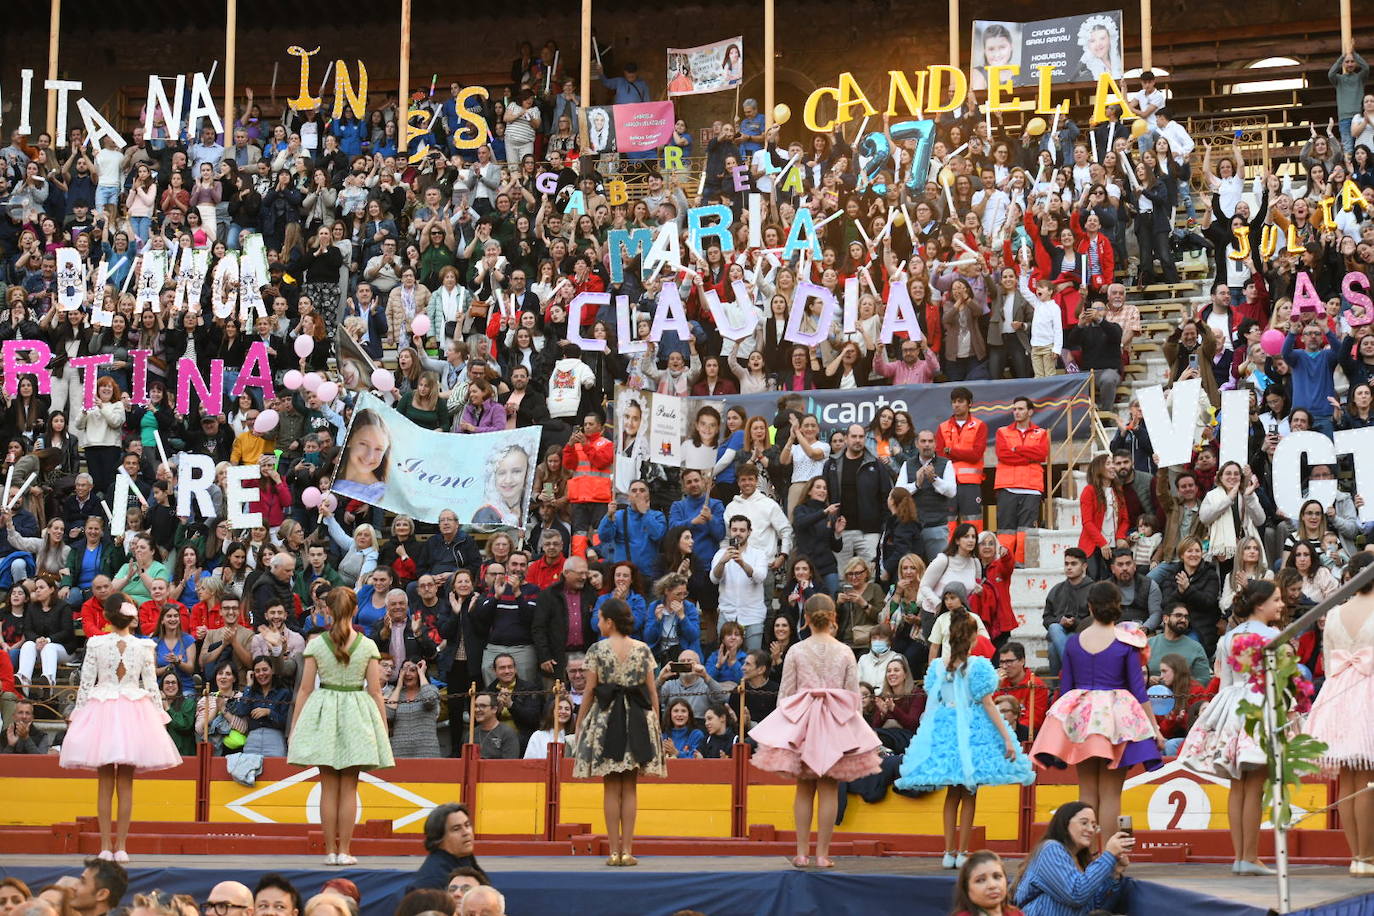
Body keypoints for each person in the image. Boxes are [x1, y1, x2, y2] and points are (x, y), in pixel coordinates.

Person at [895, 606, 1033, 868]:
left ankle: (948, 852)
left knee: (952, 793)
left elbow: (934, 699)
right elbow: (988, 704)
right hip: (972, 729)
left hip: (946, 729)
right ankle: (962, 851)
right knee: (969, 792)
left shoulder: (938, 667)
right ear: (971, 638)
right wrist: (1007, 737)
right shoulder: (978, 666)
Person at [750, 594, 882, 868]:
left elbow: (785, 695)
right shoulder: (845, 651)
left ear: (806, 618)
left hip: (804, 725)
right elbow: (853, 696)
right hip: (835, 723)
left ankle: (801, 853)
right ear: (833, 617)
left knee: (804, 788)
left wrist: (786, 727)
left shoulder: (796, 651)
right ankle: (822, 854)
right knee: (829, 789)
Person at [1031, 582, 1164, 844]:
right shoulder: (1126, 642)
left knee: (1087, 792)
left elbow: (1066, 689)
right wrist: (1154, 728)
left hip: (1082, 718)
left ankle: (1087, 852)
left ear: (1090, 607)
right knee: (1112, 793)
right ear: (1117, 606)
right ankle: (1109, 855)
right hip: (1116, 719)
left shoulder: (1073, 643)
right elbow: (1138, 690)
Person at [59, 592, 181, 861]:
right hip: (133, 711)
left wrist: (78, 714)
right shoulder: (144, 646)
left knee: (105, 783)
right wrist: (159, 716)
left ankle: (105, 846)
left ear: (107, 616)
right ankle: (121, 847)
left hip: (102, 710)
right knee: (126, 783)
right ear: (132, 617)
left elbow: (86, 684)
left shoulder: (96, 644)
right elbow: (151, 685)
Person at [1177, 580, 1285, 875]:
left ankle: (1240, 856)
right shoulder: (1274, 636)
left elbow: (1225, 683)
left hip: (1232, 706)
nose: (1281, 605)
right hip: (1261, 705)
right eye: (1276, 600)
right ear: (1260, 604)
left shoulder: (1228, 638)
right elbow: (1278, 682)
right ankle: (1250, 856)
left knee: (1238, 785)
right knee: (1255, 785)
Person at [287, 587, 394, 865]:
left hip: (324, 712)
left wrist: (295, 726)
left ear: (327, 610)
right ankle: (345, 850)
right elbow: (375, 692)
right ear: (355, 609)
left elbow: (305, 690)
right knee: (349, 787)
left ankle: (330, 852)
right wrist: (383, 727)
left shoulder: (316, 645)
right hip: (356, 713)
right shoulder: (368, 646)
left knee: (327, 786)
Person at [571, 597, 665, 867]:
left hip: (606, 718)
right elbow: (652, 692)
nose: (598, 622)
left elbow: (589, 690)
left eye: (600, 618)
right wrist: (656, 723)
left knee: (611, 787)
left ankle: (614, 852)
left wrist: (580, 723)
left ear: (610, 622)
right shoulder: (643, 649)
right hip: (638, 718)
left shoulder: (597, 650)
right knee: (630, 787)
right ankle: (627, 851)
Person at [1306, 551, 1374, 874]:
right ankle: (1368, 857)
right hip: (1367, 691)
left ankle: (1357, 855)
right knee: (1367, 779)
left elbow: (1329, 660)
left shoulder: (1334, 614)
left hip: (1338, 693)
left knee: (1348, 778)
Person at [1012, 801, 1132, 915]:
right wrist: (1108, 855)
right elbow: (1076, 894)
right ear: (1065, 824)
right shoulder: (1050, 849)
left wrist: (1114, 873)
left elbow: (1096, 906)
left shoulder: (1080, 860)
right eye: (1084, 823)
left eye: (1094, 825)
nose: (1091, 830)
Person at [993, 397, 1048, 564]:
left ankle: (1022, 564)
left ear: (1030, 412)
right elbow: (1003, 455)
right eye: (1015, 409)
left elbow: (1041, 455)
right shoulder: (1002, 431)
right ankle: (1005, 564)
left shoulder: (1041, 433)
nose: (1016, 412)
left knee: (1026, 530)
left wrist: (1017, 449)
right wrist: (1029, 456)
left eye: (1021, 409)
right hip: (1007, 486)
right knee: (1006, 530)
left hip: (1032, 487)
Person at [408, 803, 485, 892]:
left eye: (467, 825)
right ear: (438, 838)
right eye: (456, 829)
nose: (466, 832)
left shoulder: (464, 858)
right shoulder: (431, 880)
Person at [333, 410, 391, 503]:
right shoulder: (331, 478)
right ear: (350, 439)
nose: (370, 456)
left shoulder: (383, 495)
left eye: (378, 449)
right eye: (363, 444)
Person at [952, 850, 1024, 916]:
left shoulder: (1016, 914)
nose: (992, 885)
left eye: (997, 877)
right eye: (980, 880)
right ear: (966, 888)